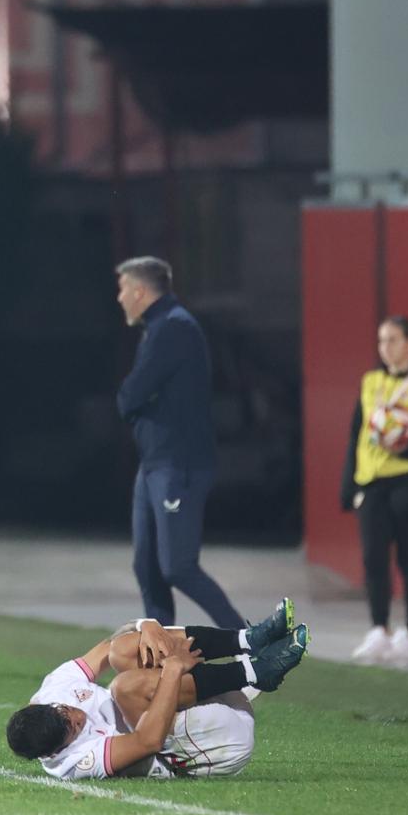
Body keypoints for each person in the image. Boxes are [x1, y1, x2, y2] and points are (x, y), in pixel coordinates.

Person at [5, 601, 309, 779]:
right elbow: (147, 740)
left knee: (123, 650)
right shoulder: (74, 763)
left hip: (197, 695)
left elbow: (110, 646)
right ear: (56, 750)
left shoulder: (53, 691)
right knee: (124, 687)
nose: (77, 717)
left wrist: (146, 624)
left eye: (65, 712)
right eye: (71, 728)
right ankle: (255, 672)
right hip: (212, 742)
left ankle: (245, 641)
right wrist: (173, 670)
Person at [114, 256, 244, 629]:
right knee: (147, 567)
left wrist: (135, 404)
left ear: (140, 291)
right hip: (155, 463)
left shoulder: (174, 328)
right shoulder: (160, 327)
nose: (120, 297)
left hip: (179, 464)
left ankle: (252, 642)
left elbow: (130, 395)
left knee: (178, 567)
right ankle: (160, 657)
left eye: (123, 289)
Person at [341, 315, 408, 665]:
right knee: (373, 556)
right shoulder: (370, 381)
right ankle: (378, 629)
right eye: (381, 340)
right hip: (372, 482)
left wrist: (405, 444)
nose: (385, 347)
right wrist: (350, 485)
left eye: (392, 340)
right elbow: (356, 432)